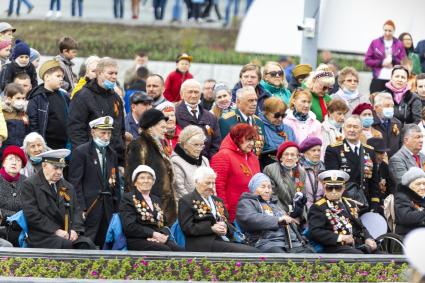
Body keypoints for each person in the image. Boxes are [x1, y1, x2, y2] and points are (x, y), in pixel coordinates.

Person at [21, 149, 95, 249]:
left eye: (61, 168)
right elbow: (32, 215)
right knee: (66, 245)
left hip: (66, 232)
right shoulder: (30, 184)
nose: (59, 172)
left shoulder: (67, 186)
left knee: (86, 244)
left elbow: (77, 211)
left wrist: (75, 230)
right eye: (56, 168)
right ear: (44, 165)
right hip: (42, 235)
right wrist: (56, 230)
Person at [178, 166, 260, 252]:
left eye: (213, 183)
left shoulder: (218, 200)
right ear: (196, 182)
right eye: (207, 183)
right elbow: (187, 228)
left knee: (256, 251)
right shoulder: (186, 200)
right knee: (251, 252)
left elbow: (227, 222)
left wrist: (225, 228)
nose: (211, 186)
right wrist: (211, 228)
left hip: (222, 239)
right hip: (202, 243)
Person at [68, 116, 121, 248]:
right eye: (103, 132)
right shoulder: (81, 152)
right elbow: (75, 183)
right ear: (93, 132)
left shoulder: (111, 153)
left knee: (107, 241)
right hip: (90, 206)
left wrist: (117, 208)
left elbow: (116, 182)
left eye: (109, 133)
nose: (106, 136)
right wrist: (81, 207)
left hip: (107, 206)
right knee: (87, 241)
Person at [68, 58, 125, 165]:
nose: (114, 77)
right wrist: (85, 157)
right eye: (110, 73)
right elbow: (76, 130)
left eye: (116, 73)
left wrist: (121, 160)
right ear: (99, 73)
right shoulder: (82, 96)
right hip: (90, 157)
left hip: (113, 157)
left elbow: (120, 130)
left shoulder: (116, 98)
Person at [236, 173, 310, 253]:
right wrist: (278, 219)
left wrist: (298, 209)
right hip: (267, 243)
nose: (267, 190)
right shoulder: (246, 202)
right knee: (285, 259)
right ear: (254, 188)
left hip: (291, 243)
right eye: (263, 187)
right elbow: (249, 219)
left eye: (269, 187)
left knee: (313, 258)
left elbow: (287, 219)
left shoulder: (274, 204)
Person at [308, 170, 378, 254]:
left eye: (337, 188)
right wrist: (340, 237)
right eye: (329, 188)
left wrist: (368, 238)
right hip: (334, 247)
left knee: (382, 255)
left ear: (343, 188)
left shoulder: (350, 203)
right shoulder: (318, 207)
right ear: (324, 188)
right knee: (359, 255)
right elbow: (315, 231)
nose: (334, 191)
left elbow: (361, 226)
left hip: (356, 244)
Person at [126, 109, 176, 224]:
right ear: (151, 127)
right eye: (162, 127)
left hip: (164, 204)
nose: (165, 130)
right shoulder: (139, 145)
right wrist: (143, 206)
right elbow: (133, 179)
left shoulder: (159, 145)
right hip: (149, 205)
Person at [324, 115, 381, 212]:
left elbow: (374, 180)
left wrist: (374, 202)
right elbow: (333, 181)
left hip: (365, 201)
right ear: (343, 128)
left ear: (361, 129)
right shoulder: (333, 149)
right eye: (349, 126)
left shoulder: (369, 150)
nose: (352, 130)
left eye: (355, 127)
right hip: (344, 202)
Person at [120, 165, 183, 251]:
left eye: (149, 178)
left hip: (157, 237)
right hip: (136, 239)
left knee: (180, 250)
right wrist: (152, 234)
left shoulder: (156, 199)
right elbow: (129, 226)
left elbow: (162, 223)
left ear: (153, 182)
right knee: (165, 250)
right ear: (135, 182)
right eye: (142, 178)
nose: (146, 181)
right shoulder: (128, 198)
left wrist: (160, 236)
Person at [210, 124, 260, 222]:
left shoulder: (253, 158)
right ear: (237, 139)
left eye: (253, 140)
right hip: (233, 215)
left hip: (254, 212)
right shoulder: (222, 156)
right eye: (248, 140)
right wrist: (224, 212)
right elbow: (218, 187)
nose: (252, 144)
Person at [27, 59, 70, 150]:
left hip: (65, 143)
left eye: (62, 76)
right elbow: (33, 124)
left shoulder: (64, 95)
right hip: (47, 144)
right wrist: (39, 145)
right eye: (58, 76)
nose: (61, 79)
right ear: (47, 77)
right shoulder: (37, 98)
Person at [175, 79, 221, 159]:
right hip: (182, 161)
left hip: (205, 162)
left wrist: (206, 161)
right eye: (190, 92)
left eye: (196, 92)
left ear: (200, 94)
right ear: (182, 94)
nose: (193, 95)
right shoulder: (175, 114)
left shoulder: (211, 117)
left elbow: (216, 143)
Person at [263, 141, 307, 221]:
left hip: (297, 216)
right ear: (280, 157)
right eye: (286, 154)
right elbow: (271, 196)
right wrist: (285, 215)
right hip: (279, 215)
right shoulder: (270, 169)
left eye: (292, 155)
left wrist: (300, 215)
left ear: (297, 158)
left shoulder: (301, 172)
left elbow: (302, 195)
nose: (289, 157)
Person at [219, 86, 265, 156]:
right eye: (250, 100)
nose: (255, 104)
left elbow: (260, 149)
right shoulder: (226, 121)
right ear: (238, 102)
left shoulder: (259, 122)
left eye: (256, 100)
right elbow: (224, 150)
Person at [171, 125, 209, 204]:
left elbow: (212, 186)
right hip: (187, 208)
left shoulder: (205, 160)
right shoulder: (176, 161)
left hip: (206, 206)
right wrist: (200, 206)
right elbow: (180, 190)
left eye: (201, 145)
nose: (199, 148)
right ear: (185, 144)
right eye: (195, 145)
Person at [365, 20, 406, 93]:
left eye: (390, 31)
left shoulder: (399, 44)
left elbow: (404, 62)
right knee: (376, 101)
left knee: (391, 103)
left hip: (394, 80)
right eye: (385, 30)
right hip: (378, 78)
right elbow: (367, 60)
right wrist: (381, 62)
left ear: (394, 31)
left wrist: (393, 60)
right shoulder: (375, 42)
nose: (387, 33)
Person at [0, 146, 27, 246]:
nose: (14, 162)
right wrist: (15, 216)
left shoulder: (27, 182)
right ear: (3, 163)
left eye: (18, 160)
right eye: (10, 158)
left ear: (22, 165)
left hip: (22, 228)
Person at [259, 96, 295, 168]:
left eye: (283, 115)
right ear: (266, 113)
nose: (280, 118)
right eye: (277, 115)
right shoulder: (259, 128)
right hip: (268, 168)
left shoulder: (289, 130)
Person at [394, 167, 425, 237]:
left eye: (424, 184)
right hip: (409, 235)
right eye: (418, 184)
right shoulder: (402, 197)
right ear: (409, 185)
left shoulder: (421, 197)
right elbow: (405, 217)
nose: (422, 187)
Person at [371, 91, 402, 157]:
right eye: (387, 106)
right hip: (377, 161)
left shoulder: (397, 123)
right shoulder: (371, 124)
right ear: (376, 107)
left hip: (394, 161)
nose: (390, 109)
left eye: (392, 106)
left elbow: (400, 145)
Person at [299, 137, 326, 208]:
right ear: (305, 153)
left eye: (319, 150)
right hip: (304, 207)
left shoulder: (324, 167)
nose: (317, 153)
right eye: (313, 150)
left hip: (322, 206)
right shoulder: (299, 168)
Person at [1, 83, 28, 149]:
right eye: (18, 98)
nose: (21, 101)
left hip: (21, 149)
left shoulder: (24, 113)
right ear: (9, 99)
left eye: (23, 98)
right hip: (5, 150)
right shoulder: (3, 113)